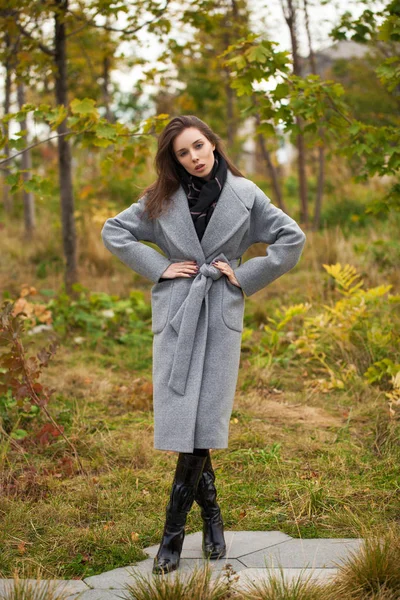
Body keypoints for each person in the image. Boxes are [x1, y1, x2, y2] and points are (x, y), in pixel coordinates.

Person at [101, 115, 306, 575]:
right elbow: (113, 231)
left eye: (199, 146)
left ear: (213, 143)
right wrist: (160, 266)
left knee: (202, 421)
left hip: (219, 311)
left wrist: (245, 274)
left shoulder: (246, 194)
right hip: (177, 313)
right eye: (182, 152)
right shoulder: (160, 200)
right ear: (173, 160)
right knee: (185, 422)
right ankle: (209, 521)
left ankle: (173, 535)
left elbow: (292, 238)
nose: (194, 157)